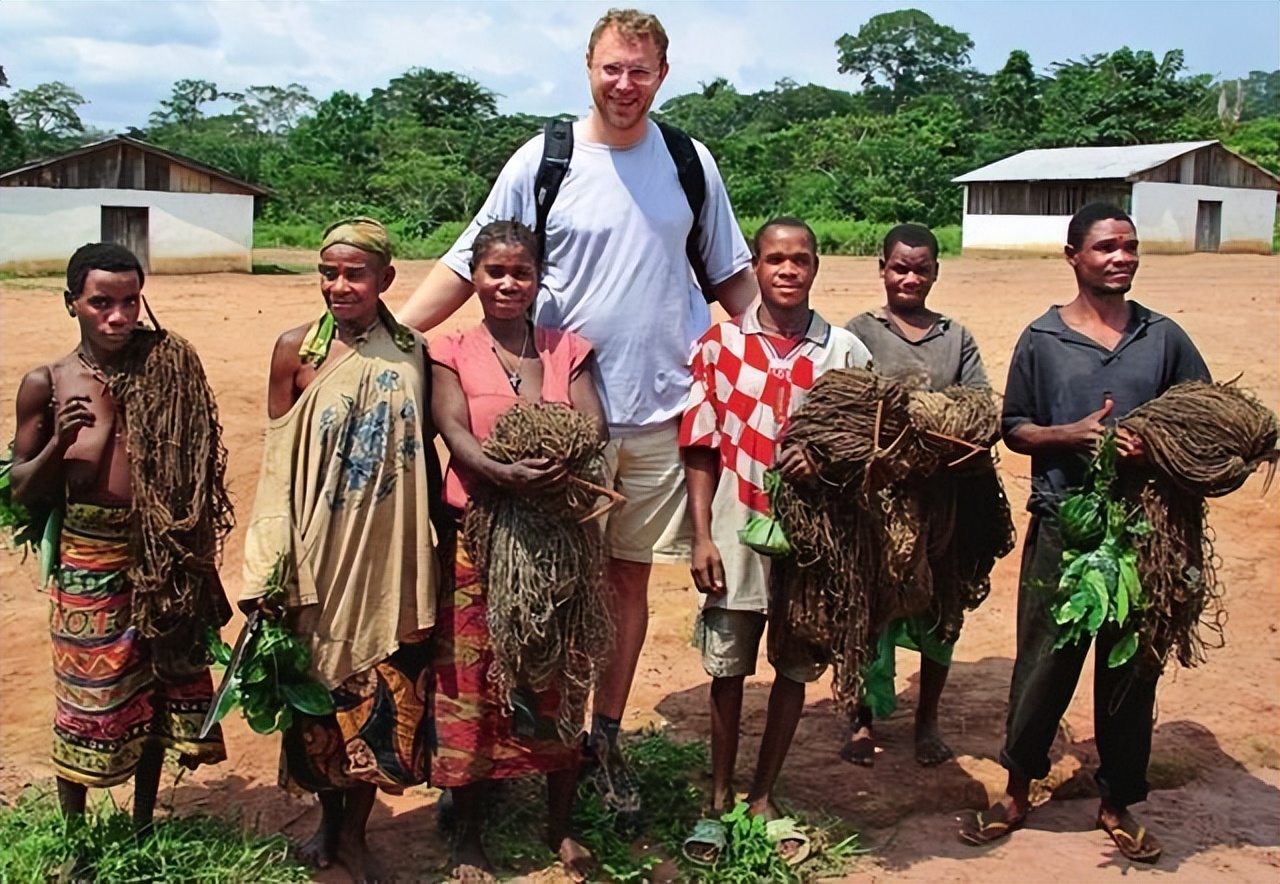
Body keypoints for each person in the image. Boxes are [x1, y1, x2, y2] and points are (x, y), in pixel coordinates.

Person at [397, 7, 756, 812]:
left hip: (663, 411)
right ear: (587, 69)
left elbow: (732, 277)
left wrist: (796, 352)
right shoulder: (545, 158)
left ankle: (602, 737)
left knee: (626, 583)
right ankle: (513, 738)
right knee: (539, 576)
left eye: (640, 70)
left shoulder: (690, 163)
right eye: (611, 69)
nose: (624, 85)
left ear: (663, 75)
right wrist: (384, 339)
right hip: (558, 420)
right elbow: (468, 259)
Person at [959, 204, 1211, 864]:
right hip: (1062, 528)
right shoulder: (1043, 339)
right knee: (1043, 665)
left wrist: (1153, 446)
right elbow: (1013, 426)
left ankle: (1118, 801)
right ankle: (1016, 788)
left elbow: (1204, 419)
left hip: (1144, 537)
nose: (1120, 257)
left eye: (1129, 246)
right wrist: (1068, 436)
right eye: (1105, 247)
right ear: (1073, 256)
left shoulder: (1164, 338)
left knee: (1132, 672)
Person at [240, 218, 439, 884]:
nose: (339, 285)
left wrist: (438, 545)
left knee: (382, 706)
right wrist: (268, 564)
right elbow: (276, 466)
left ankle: (355, 835)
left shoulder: (413, 350)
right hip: (319, 560)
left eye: (354, 273)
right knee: (322, 704)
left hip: (392, 562)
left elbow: (430, 461)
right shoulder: (294, 350)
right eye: (328, 272)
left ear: (386, 278)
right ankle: (331, 825)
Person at [10, 242, 230, 832]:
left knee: (156, 693)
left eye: (131, 301)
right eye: (101, 302)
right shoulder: (48, 383)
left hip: (162, 556)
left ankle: (141, 821)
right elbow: (21, 489)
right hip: (87, 559)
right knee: (86, 695)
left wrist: (198, 563)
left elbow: (196, 474)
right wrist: (58, 442)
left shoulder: (167, 364)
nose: (118, 317)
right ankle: (76, 837)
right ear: (72, 304)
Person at [680, 218, 872, 864]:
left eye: (800, 260)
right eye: (774, 260)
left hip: (814, 545)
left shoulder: (841, 352)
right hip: (735, 530)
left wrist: (828, 466)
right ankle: (717, 800)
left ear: (817, 267)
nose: (787, 271)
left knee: (793, 667)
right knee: (728, 669)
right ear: (755, 268)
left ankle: (764, 797)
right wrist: (701, 535)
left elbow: (867, 451)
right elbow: (701, 448)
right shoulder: (719, 345)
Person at [430, 220, 602, 882]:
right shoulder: (450, 350)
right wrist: (500, 473)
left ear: (538, 279)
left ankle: (560, 824)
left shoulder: (568, 348)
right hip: (481, 538)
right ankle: (470, 833)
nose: (508, 283)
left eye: (521, 272)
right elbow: (453, 428)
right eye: (495, 271)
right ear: (474, 276)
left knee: (561, 677)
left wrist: (562, 455)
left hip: (560, 543)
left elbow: (593, 424)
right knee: (472, 685)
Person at [842, 223, 991, 768]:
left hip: (941, 502)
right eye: (899, 267)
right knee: (865, 610)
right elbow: (845, 408)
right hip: (874, 504)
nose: (910, 277)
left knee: (939, 609)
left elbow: (979, 409)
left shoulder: (956, 336)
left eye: (921, 268)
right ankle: (860, 718)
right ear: (881, 268)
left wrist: (929, 428)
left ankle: (927, 721)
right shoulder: (858, 333)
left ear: (935, 271)